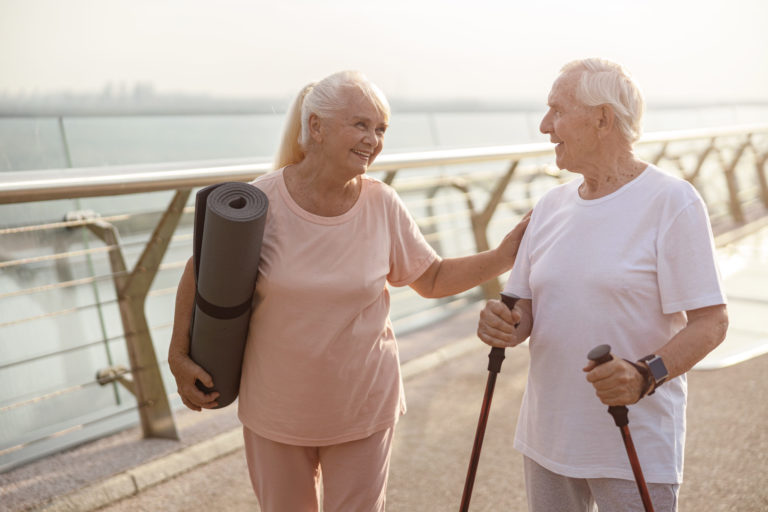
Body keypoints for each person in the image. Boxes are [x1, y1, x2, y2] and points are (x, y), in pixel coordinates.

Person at [168, 70, 530, 512]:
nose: (373, 140)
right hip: (277, 412)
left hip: (364, 406)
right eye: (360, 125)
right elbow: (199, 271)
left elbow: (431, 278)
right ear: (316, 127)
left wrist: (504, 255)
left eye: (380, 129)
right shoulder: (261, 203)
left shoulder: (382, 203)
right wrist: (178, 355)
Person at [476, 58, 728, 512]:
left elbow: (711, 322)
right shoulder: (550, 206)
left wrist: (644, 374)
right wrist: (504, 324)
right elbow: (524, 313)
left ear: (602, 119)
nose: (544, 126)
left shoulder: (672, 202)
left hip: (633, 443)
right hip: (547, 439)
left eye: (557, 111)